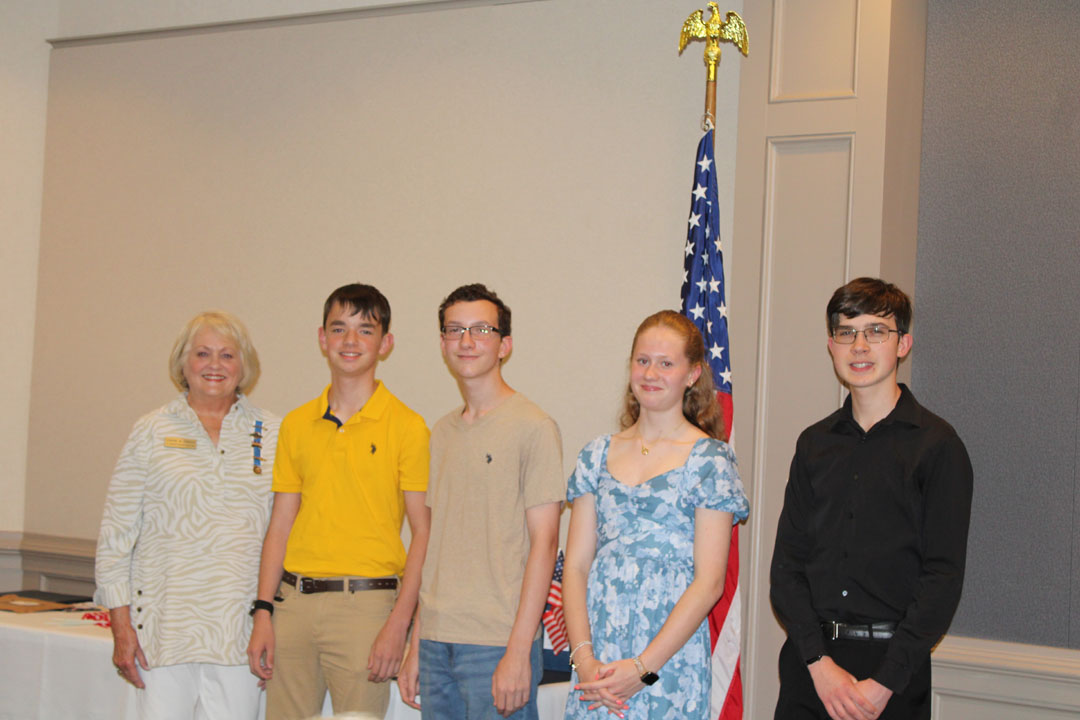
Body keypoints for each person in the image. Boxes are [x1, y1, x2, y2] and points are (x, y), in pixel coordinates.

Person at [770, 277, 974, 720]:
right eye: (847, 332)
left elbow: (942, 578)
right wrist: (820, 666)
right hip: (812, 670)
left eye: (876, 331)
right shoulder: (813, 444)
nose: (859, 346)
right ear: (831, 345)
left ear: (903, 344)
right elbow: (786, 568)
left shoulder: (938, 446)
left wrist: (884, 685)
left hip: (892, 678)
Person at [246, 283, 430, 720]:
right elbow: (280, 525)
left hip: (366, 608)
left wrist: (399, 623)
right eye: (339, 328)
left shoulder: (408, 426)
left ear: (385, 343)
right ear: (321, 338)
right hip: (293, 604)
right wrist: (263, 612)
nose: (350, 341)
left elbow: (424, 532)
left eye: (365, 330)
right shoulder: (295, 424)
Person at [560, 310, 749, 719]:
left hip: (667, 662)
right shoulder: (595, 456)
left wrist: (643, 669)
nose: (651, 372)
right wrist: (584, 660)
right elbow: (574, 566)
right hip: (597, 659)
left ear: (692, 374)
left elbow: (710, 581)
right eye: (643, 360)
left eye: (666, 363)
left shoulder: (710, 461)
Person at [95, 310, 278, 720]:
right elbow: (115, 536)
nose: (215, 365)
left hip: (241, 637)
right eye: (202, 354)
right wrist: (121, 628)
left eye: (228, 355)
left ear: (244, 365)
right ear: (183, 363)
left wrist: (274, 624)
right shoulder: (151, 430)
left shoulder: (273, 434)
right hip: (162, 633)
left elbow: (286, 536)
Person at [398, 283, 564, 720]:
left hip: (497, 644)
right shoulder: (442, 432)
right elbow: (435, 544)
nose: (466, 341)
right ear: (442, 344)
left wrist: (518, 650)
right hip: (436, 643)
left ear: (504, 345)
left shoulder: (534, 427)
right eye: (455, 330)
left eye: (481, 329)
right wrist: (417, 641)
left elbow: (545, 545)